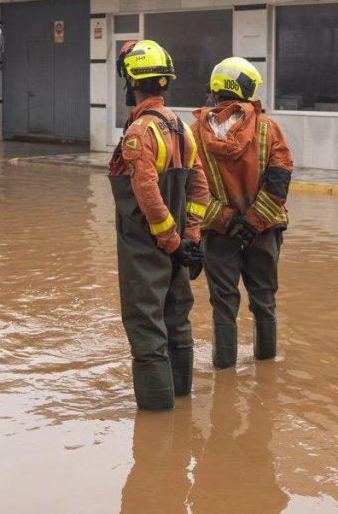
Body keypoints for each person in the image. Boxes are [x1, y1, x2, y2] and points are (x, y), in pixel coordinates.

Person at [108, 39, 210, 411]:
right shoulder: (181, 127)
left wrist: (170, 239)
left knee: (145, 324)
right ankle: (181, 403)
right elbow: (200, 185)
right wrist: (191, 237)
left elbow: (147, 191)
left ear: (133, 81)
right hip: (178, 245)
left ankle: (157, 417)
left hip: (147, 247)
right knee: (177, 317)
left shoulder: (140, 133)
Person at [191, 57, 293, 369]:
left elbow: (192, 191)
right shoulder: (267, 129)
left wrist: (228, 222)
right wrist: (252, 223)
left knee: (223, 307)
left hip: (219, 236)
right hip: (263, 233)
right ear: (246, 88)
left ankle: (224, 374)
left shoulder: (194, 133)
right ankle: (266, 368)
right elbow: (279, 180)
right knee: (264, 302)